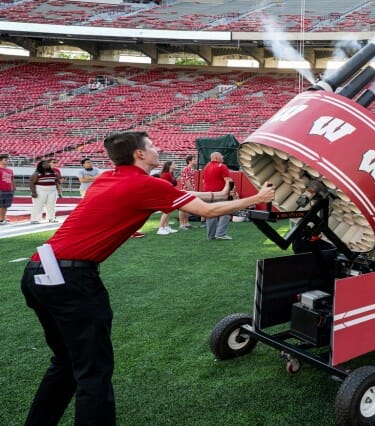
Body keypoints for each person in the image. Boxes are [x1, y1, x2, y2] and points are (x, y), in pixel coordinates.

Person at [20, 130, 276, 425]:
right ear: (139, 154)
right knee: (93, 371)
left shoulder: (108, 178)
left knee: (65, 362)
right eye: (152, 146)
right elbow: (205, 211)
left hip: (38, 271)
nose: (158, 149)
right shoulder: (144, 184)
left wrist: (221, 194)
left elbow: (190, 198)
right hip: (71, 279)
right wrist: (258, 198)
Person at [203, 152, 233, 240]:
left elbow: (203, 181)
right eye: (221, 156)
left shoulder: (206, 166)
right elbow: (228, 181)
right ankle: (220, 233)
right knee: (226, 211)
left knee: (211, 214)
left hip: (208, 194)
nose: (223, 157)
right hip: (220, 194)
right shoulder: (222, 166)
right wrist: (231, 191)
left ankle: (211, 236)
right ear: (216, 157)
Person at [29, 158, 62, 224]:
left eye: (47, 163)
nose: (46, 164)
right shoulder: (37, 173)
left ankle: (51, 218)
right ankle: (34, 219)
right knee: (38, 205)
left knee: (51, 205)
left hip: (52, 191)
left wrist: (59, 192)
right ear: (40, 165)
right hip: (40, 190)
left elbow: (57, 183)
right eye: (44, 164)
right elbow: (31, 183)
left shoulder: (54, 173)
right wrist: (33, 192)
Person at [156, 161, 178, 235]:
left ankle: (166, 226)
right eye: (173, 164)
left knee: (168, 211)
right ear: (169, 166)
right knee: (166, 211)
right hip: (165, 195)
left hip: (168, 195)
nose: (175, 165)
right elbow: (163, 186)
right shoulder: (166, 175)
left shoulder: (170, 174)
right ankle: (161, 228)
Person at [177, 155, 198, 229]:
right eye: (194, 159)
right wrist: (192, 190)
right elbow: (187, 181)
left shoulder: (191, 169)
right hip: (186, 190)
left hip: (189, 190)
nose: (195, 160)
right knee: (182, 208)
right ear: (189, 160)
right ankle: (182, 224)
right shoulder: (186, 169)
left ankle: (186, 223)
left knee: (187, 207)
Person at [0, 154, 14, 225]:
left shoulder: (10, 170)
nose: (7, 161)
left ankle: (3, 218)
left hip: (8, 189)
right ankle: (1, 219)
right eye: (5, 160)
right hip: (1, 189)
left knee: (5, 205)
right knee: (1, 205)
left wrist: (13, 187)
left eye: (7, 159)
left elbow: (12, 179)